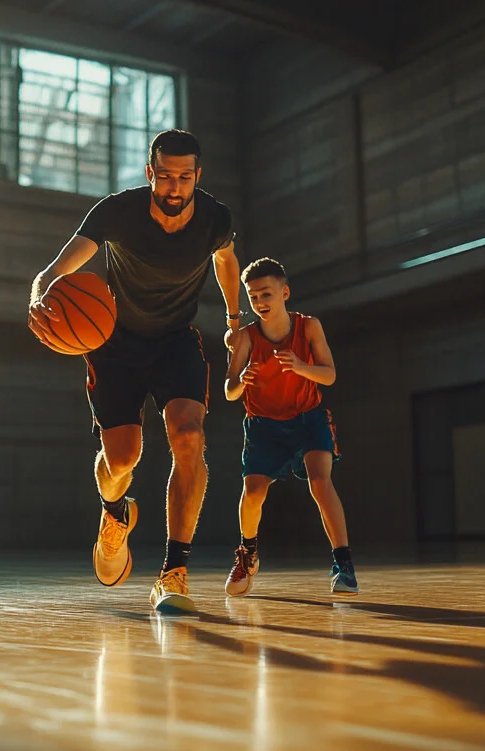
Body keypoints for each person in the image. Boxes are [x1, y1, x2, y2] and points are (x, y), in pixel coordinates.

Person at [28, 130, 242, 613]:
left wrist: (233, 317)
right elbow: (56, 269)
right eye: (165, 175)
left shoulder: (215, 218)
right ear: (151, 174)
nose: (173, 186)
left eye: (184, 177)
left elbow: (227, 260)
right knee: (122, 459)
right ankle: (113, 512)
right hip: (114, 343)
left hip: (175, 341)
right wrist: (40, 292)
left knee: (188, 437)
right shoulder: (117, 212)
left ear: (197, 177)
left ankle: (173, 573)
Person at [221, 258, 355, 597]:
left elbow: (330, 374)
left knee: (321, 483)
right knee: (253, 492)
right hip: (264, 425)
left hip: (307, 417)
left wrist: (299, 366)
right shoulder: (246, 337)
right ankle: (247, 553)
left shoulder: (309, 327)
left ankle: (344, 564)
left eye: (266, 294)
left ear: (285, 292)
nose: (260, 303)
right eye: (253, 297)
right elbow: (228, 390)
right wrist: (241, 381)